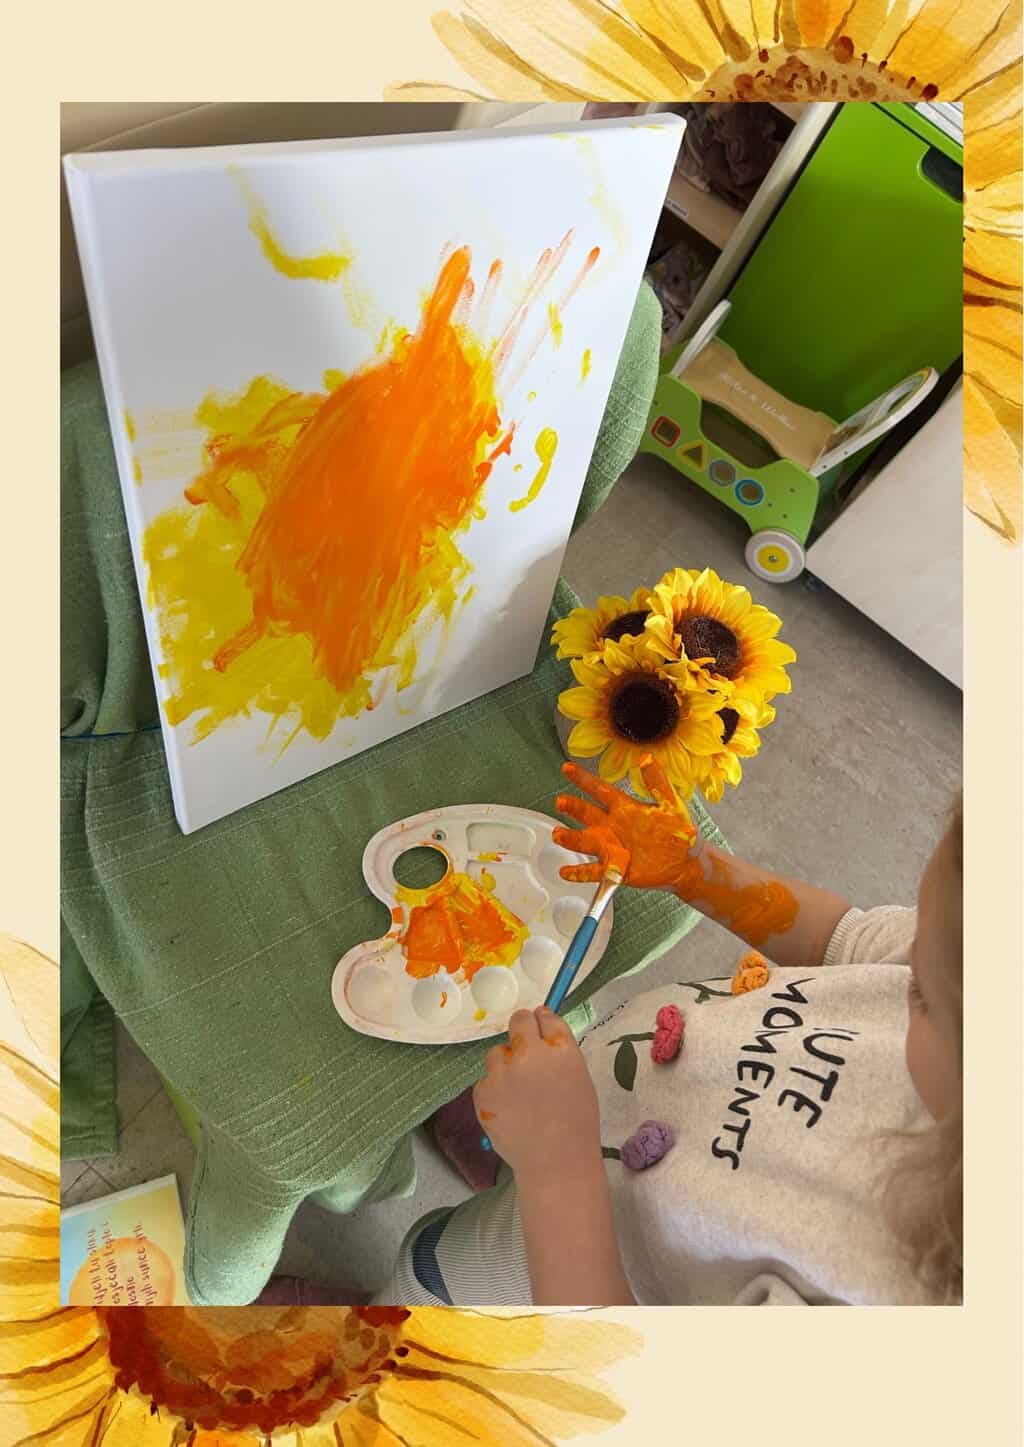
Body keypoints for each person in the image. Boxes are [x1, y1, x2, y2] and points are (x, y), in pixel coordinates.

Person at [379, 757, 963, 1307]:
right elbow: (842, 940)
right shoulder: (964, 960)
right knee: (478, 1199)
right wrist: (696, 870)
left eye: (920, 993)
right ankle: (498, 1155)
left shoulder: (881, 1296)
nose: (903, 974)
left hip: (559, 1262)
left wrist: (555, 1170)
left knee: (432, 1276)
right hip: (573, 1124)